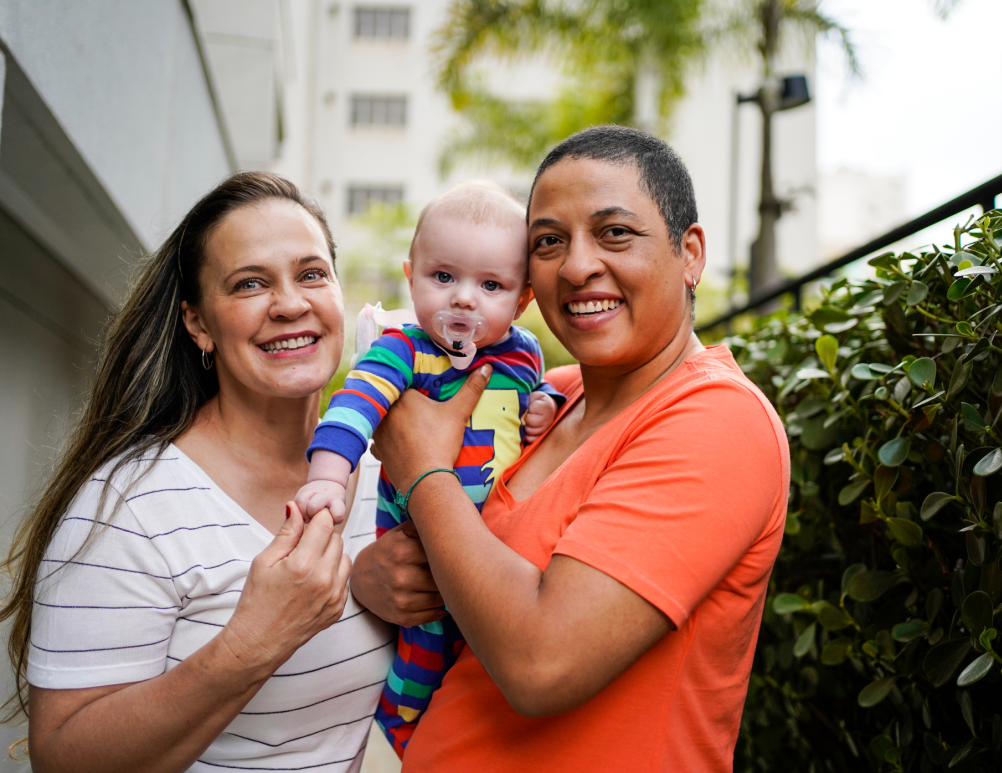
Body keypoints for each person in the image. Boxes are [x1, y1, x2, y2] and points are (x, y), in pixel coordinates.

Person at [350, 126, 790, 772]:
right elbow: (444, 561)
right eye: (550, 242)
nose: (578, 265)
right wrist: (372, 578)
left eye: (614, 232)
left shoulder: (719, 419)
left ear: (689, 252)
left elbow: (540, 662)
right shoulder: (536, 398)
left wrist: (423, 469)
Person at [3, 172, 394, 772]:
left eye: (311, 273)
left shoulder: (384, 473)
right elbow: (63, 760)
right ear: (198, 323)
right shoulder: (133, 505)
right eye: (249, 283)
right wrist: (254, 641)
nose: (290, 303)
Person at [296, 180, 563, 755]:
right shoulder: (403, 351)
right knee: (421, 656)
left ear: (521, 302)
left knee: (485, 665)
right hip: (420, 545)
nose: (464, 299)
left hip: (497, 552)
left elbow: (532, 407)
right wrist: (326, 477)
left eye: (490, 285)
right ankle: (401, 743)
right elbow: (353, 407)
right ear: (410, 275)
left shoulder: (523, 356)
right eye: (443, 278)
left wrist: (543, 407)